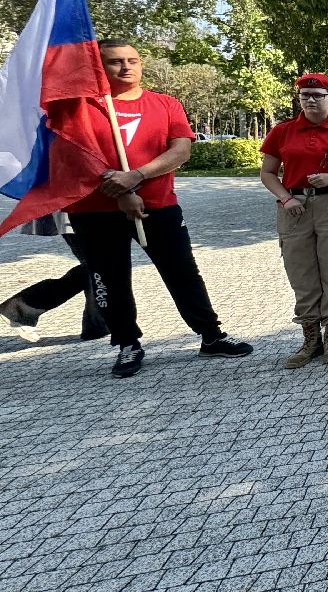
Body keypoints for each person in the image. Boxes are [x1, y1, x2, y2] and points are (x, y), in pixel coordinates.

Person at [65, 41, 250, 378]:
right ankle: (127, 344)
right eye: (115, 62)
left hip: (158, 206)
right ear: (97, 67)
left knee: (182, 271)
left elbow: (180, 151)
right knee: (110, 277)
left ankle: (211, 335)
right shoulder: (79, 108)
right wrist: (118, 189)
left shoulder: (165, 104)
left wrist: (135, 177)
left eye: (132, 60)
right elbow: (73, 155)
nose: (126, 67)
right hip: (94, 210)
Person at [261, 71, 328, 368]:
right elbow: (268, 172)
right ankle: (309, 338)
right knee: (301, 272)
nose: (310, 101)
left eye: (318, 96)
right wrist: (286, 197)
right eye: (305, 96)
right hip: (294, 207)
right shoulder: (283, 131)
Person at [0, 213, 107, 340]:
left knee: (98, 266)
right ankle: (20, 309)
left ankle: (99, 324)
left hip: (95, 210)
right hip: (80, 210)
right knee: (98, 264)